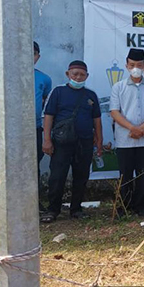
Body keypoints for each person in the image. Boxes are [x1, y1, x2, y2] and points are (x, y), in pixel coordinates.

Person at [42, 60, 103, 222]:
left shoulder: (91, 95)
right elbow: (48, 116)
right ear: (68, 74)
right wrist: (46, 140)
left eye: (82, 74)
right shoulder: (58, 92)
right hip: (61, 143)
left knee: (81, 176)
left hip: (85, 142)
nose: (78, 77)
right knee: (57, 176)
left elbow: (97, 120)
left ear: (87, 76)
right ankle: (53, 210)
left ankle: (76, 209)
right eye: (75, 74)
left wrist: (99, 141)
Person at [110, 48, 144, 217]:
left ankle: (140, 205)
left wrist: (141, 128)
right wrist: (132, 128)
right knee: (125, 174)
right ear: (126, 65)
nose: (135, 68)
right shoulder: (118, 87)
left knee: (143, 173)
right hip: (125, 138)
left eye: (139, 65)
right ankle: (124, 205)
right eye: (132, 65)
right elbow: (114, 112)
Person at [33, 42, 53, 211]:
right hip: (12, 132)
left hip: (35, 128)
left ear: (38, 57)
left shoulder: (44, 79)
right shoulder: (6, 74)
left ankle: (34, 201)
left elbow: (45, 102)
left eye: (33, 53)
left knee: (34, 166)